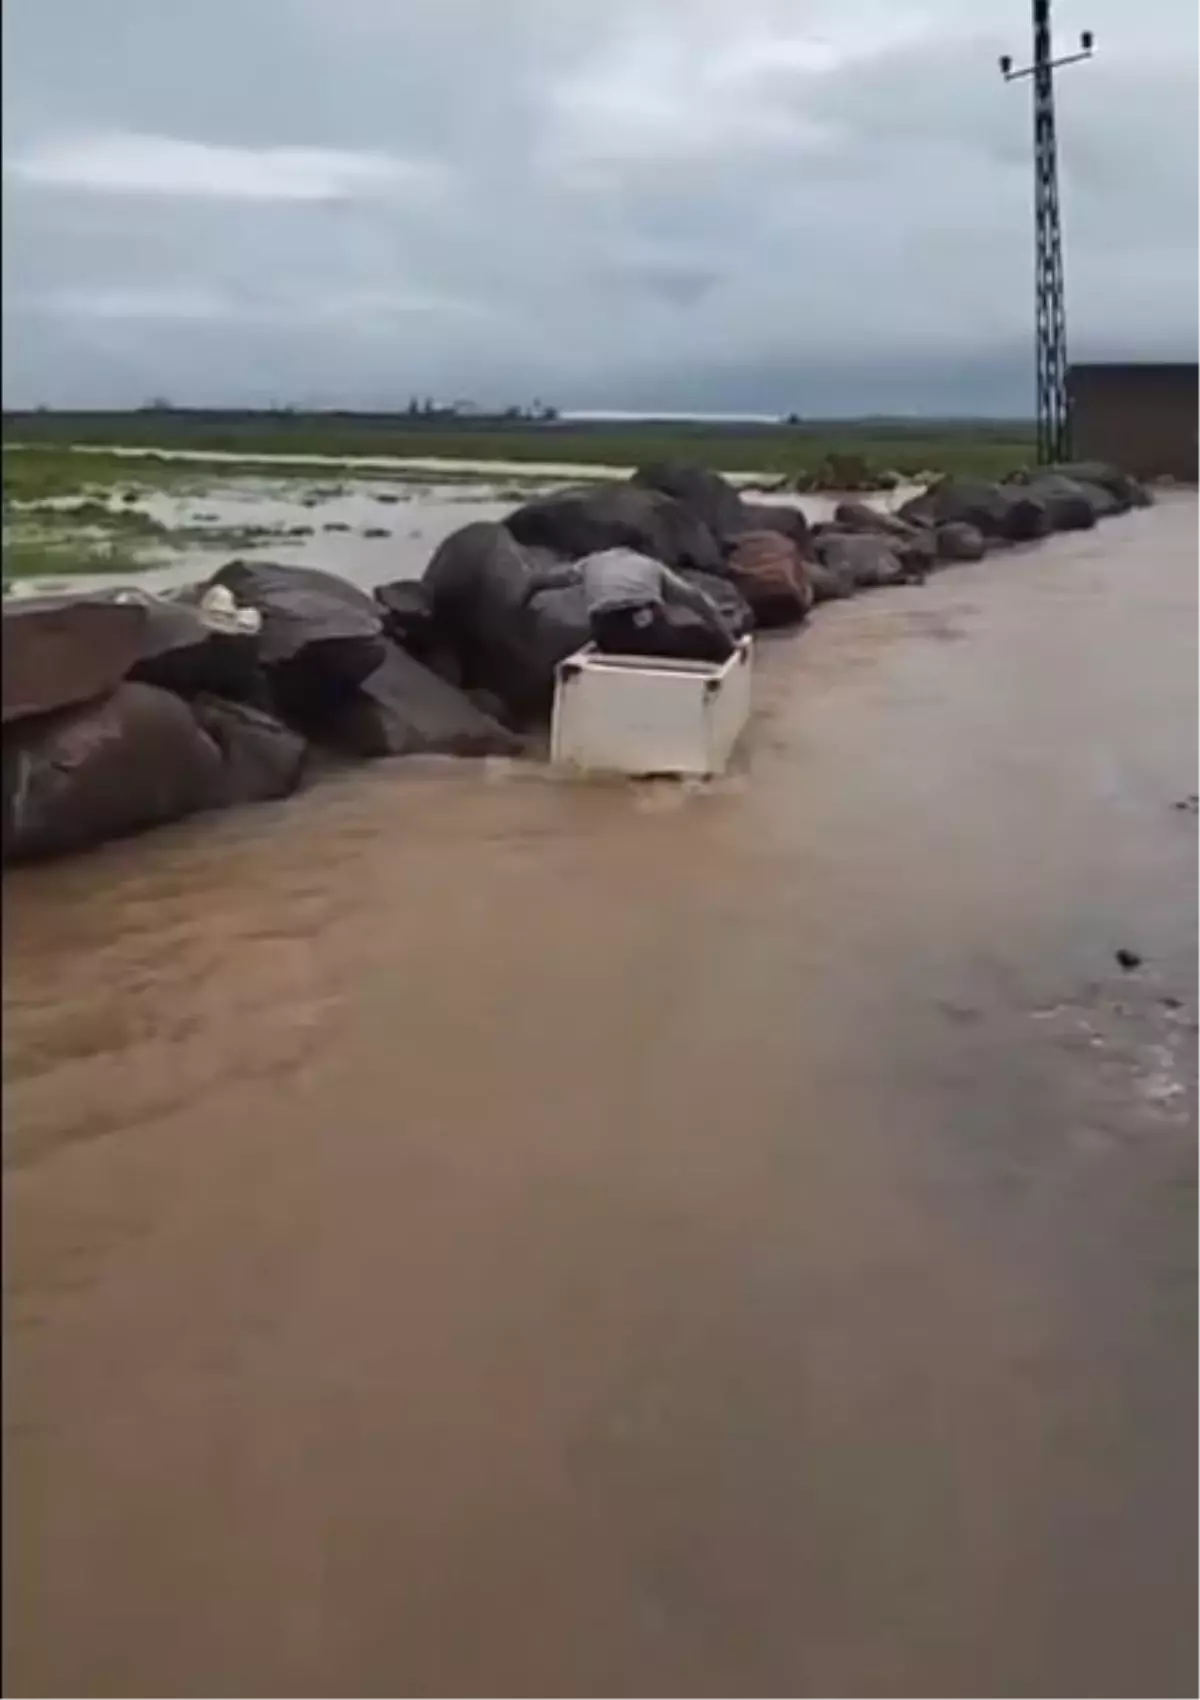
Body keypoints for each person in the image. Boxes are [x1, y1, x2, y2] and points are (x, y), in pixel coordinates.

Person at [520, 547, 737, 663]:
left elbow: (551, 579)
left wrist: (528, 592)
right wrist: (726, 638)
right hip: (646, 628)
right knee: (704, 638)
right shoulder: (649, 564)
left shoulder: (591, 562)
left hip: (607, 634)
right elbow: (695, 598)